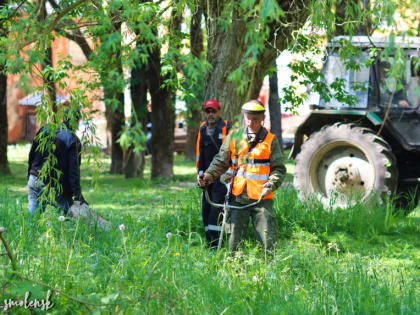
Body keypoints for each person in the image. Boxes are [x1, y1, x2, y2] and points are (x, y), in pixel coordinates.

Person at [198, 100, 286, 251]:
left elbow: (279, 169)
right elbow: (220, 161)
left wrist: (271, 185)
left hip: (261, 198)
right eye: (248, 118)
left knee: (268, 241)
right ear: (244, 117)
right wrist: (208, 176)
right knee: (234, 242)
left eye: (255, 119)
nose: (251, 122)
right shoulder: (234, 137)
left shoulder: (271, 140)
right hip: (238, 197)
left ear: (262, 118)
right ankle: (234, 268)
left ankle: (270, 270)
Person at [28, 107, 84, 215]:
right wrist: (77, 196)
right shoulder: (73, 140)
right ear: (77, 121)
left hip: (35, 178)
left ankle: (28, 231)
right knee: (66, 215)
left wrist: (30, 175)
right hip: (56, 186)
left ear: (64, 118)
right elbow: (74, 171)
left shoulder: (45, 129)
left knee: (33, 216)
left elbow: (32, 155)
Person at [196, 99, 231, 248]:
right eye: (207, 111)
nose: (210, 114)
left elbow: (231, 153)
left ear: (219, 112)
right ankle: (208, 240)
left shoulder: (227, 128)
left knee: (216, 210)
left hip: (221, 178)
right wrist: (199, 174)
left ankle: (215, 244)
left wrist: (228, 174)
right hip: (206, 178)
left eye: (213, 111)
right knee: (206, 209)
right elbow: (199, 154)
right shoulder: (202, 129)